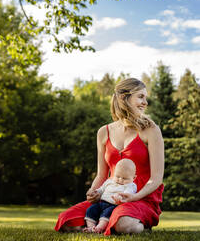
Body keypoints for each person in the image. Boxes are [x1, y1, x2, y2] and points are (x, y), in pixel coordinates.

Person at [54, 78, 164, 235]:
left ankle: (124, 222)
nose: (145, 102)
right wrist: (93, 192)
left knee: (124, 225)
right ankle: (108, 221)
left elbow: (157, 178)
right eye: (140, 96)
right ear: (124, 98)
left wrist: (134, 197)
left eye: (145, 97)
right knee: (67, 221)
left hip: (141, 198)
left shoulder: (151, 130)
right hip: (106, 198)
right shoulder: (103, 132)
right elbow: (101, 175)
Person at [83, 158, 137, 233]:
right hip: (101, 203)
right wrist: (95, 192)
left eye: (125, 178)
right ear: (114, 173)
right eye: (118, 176)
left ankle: (99, 228)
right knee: (90, 210)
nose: (120, 180)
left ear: (133, 178)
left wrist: (120, 197)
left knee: (106, 215)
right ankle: (91, 227)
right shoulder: (109, 182)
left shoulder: (131, 186)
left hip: (113, 205)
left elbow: (128, 194)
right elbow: (101, 189)